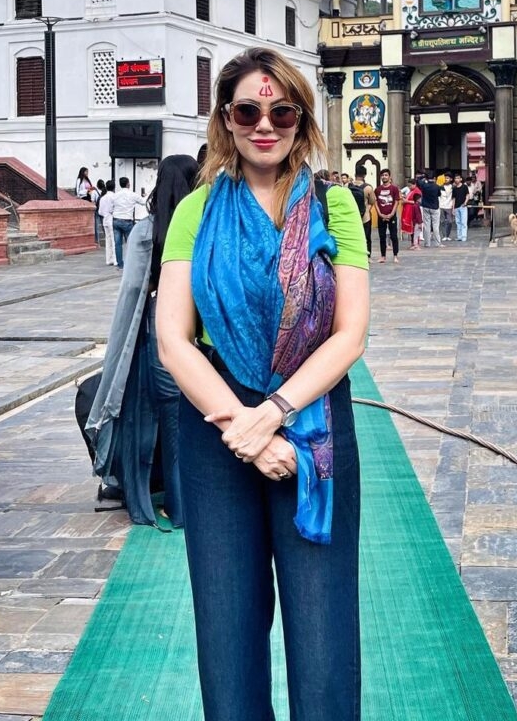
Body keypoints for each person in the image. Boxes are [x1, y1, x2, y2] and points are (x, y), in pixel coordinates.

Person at [156, 47, 369, 721]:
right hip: (214, 422)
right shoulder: (195, 211)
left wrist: (271, 413)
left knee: (322, 623)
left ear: (301, 119)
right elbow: (172, 338)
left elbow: (348, 334)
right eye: (248, 110)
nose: (265, 124)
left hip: (311, 419)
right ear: (227, 118)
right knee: (227, 625)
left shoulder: (336, 207)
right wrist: (240, 428)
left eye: (281, 110)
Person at [86, 155, 199, 527]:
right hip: (200, 335)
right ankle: (190, 505)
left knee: (158, 421)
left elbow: (133, 288)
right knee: (188, 428)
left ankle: (163, 503)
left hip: (157, 332)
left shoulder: (148, 230)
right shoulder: (202, 223)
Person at [112, 177, 145, 270]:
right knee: (130, 243)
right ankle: (130, 263)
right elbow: (143, 202)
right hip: (127, 221)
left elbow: (111, 206)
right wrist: (145, 195)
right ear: (128, 184)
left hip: (116, 220)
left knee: (117, 244)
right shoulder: (132, 195)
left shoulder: (115, 195)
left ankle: (120, 264)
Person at [375, 167, 401, 264]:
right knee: (382, 236)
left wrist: (392, 213)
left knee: (394, 236)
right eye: (382, 175)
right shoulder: (377, 189)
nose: (384, 177)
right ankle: (383, 256)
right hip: (381, 216)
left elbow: (397, 201)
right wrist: (380, 214)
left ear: (389, 177)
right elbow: (376, 202)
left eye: (386, 175)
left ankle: (395, 255)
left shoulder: (394, 189)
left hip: (391, 215)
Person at [351, 166, 376, 258]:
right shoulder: (368, 188)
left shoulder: (347, 186)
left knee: (353, 237)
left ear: (355, 174)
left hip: (352, 216)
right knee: (367, 237)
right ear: (364, 175)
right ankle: (367, 256)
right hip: (365, 217)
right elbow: (372, 201)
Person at [419, 170, 442, 247]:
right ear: (434, 178)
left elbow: (418, 180)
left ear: (426, 178)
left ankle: (427, 243)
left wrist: (423, 176)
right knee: (435, 225)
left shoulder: (424, 185)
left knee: (426, 225)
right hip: (435, 206)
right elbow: (439, 194)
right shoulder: (437, 186)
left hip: (425, 206)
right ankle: (437, 243)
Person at [98, 179, 117, 266]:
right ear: (114, 187)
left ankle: (108, 259)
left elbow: (100, 212)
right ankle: (115, 259)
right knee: (114, 240)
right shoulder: (114, 197)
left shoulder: (103, 198)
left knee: (108, 239)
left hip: (105, 219)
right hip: (112, 218)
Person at [401, 177, 422, 247]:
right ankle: (412, 243)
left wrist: (407, 201)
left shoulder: (417, 191)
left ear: (415, 184)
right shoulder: (411, 191)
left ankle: (416, 243)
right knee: (411, 228)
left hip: (413, 211)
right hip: (408, 211)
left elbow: (417, 202)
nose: (409, 187)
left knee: (415, 228)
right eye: (408, 186)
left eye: (410, 185)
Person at [453, 173, 469, 242]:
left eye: (457, 178)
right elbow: (453, 199)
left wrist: (465, 202)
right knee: (458, 222)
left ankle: (464, 236)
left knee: (464, 222)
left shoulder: (464, 187)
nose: (456, 179)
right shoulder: (454, 188)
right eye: (455, 178)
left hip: (463, 206)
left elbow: (467, 195)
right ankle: (459, 236)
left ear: (461, 179)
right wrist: (453, 208)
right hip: (456, 207)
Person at [439, 172, 454, 241]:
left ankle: (448, 235)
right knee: (442, 221)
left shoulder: (453, 187)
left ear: (451, 179)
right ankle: (444, 235)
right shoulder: (440, 187)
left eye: (447, 178)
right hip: (441, 205)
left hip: (449, 205)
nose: (446, 179)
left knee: (450, 221)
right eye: (445, 178)